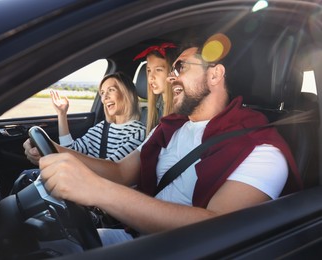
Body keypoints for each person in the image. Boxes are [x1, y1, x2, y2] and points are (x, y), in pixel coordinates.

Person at [24, 37, 302, 247]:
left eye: (180, 67)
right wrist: (54, 151)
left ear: (215, 75)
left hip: (178, 250)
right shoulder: (170, 127)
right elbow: (120, 172)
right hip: (133, 235)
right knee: (32, 236)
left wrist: (96, 191)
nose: (171, 76)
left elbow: (216, 228)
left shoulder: (261, 148)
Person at [48, 71, 146, 161]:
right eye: (102, 93)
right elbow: (71, 150)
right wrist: (62, 114)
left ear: (127, 94)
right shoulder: (102, 127)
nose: (104, 98)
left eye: (111, 90)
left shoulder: (138, 133)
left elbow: (113, 169)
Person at [133, 43, 178, 135]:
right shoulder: (148, 113)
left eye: (158, 70)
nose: (150, 77)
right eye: (149, 70)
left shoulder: (181, 112)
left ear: (173, 72)